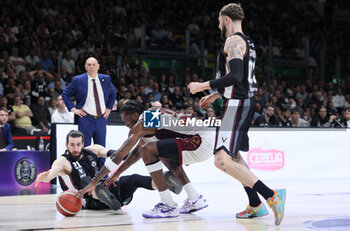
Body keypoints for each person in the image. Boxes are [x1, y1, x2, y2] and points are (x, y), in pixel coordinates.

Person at [188, 3, 286, 226]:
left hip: (236, 105)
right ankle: (255, 204)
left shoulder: (233, 41)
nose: (218, 25)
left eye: (219, 21)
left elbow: (235, 76)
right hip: (241, 102)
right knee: (233, 157)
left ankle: (271, 196)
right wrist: (215, 94)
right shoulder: (247, 41)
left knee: (221, 160)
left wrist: (202, 85)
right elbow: (239, 78)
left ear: (226, 20)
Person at [79, 100, 212, 218]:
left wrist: (93, 182)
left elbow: (119, 155)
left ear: (135, 116)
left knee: (148, 150)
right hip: (201, 139)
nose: (126, 125)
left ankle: (168, 204)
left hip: (200, 141)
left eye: (126, 121)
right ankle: (195, 198)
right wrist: (117, 174)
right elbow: (135, 155)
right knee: (154, 151)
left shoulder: (145, 121)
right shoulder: (150, 122)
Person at [35, 130, 172, 210]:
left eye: (78, 145)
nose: (75, 148)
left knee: (134, 178)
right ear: (66, 144)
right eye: (72, 145)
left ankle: (165, 182)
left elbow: (115, 154)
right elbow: (53, 172)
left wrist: (134, 155)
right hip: (87, 199)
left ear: (83, 144)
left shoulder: (92, 150)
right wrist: (45, 177)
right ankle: (101, 194)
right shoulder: (62, 161)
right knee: (86, 180)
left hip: (109, 191)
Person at [62, 57, 116, 153]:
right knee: (84, 149)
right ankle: (85, 168)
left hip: (101, 119)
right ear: (85, 67)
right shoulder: (78, 80)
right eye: (89, 65)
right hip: (86, 118)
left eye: (94, 64)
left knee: (101, 149)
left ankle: (100, 168)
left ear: (98, 66)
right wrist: (73, 109)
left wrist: (109, 108)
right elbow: (65, 94)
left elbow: (113, 94)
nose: (91, 67)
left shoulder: (105, 79)